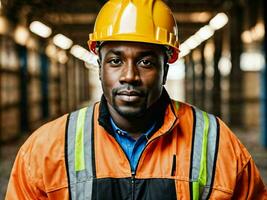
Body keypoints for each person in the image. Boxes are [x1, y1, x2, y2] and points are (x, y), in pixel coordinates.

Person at [5, 0, 267, 199]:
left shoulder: (217, 145)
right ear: (99, 66)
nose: (129, 76)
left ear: (166, 68)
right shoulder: (45, 150)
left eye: (146, 61)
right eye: (116, 61)